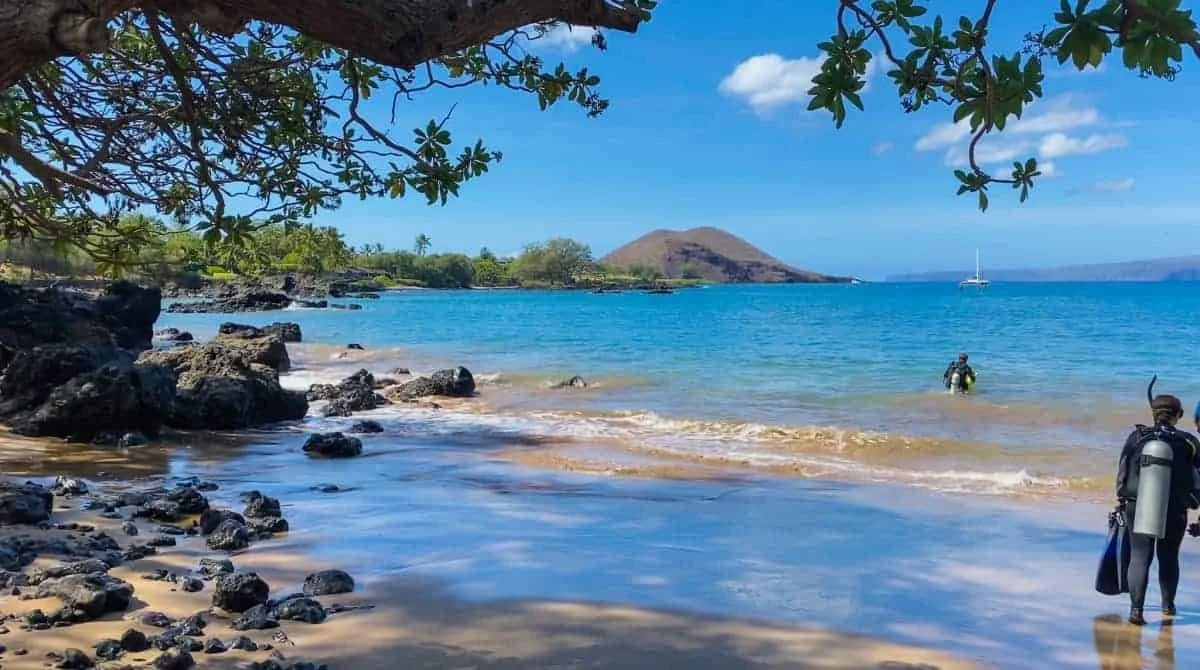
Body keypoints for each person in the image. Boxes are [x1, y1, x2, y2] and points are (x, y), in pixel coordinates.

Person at [1115, 393, 1200, 625]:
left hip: (1137, 505)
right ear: (1179, 416)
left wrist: (1122, 502)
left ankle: (1136, 612)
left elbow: (1122, 475)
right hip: (1175, 510)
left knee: (1140, 557)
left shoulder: (1136, 437)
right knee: (1169, 557)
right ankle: (1168, 607)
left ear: (1153, 414)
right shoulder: (1190, 442)